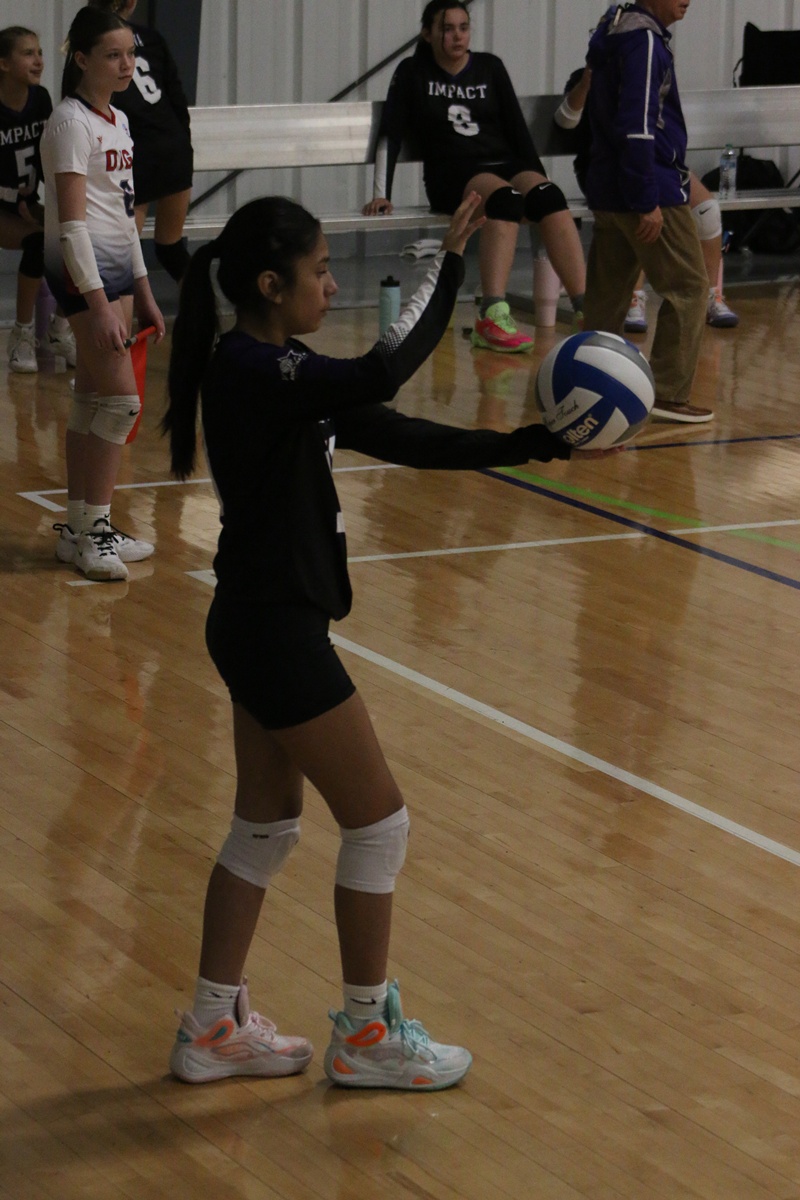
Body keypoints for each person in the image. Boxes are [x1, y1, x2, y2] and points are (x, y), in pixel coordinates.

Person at [161, 191, 585, 1090]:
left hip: (260, 622)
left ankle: (211, 1026)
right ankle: (364, 1035)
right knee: (380, 824)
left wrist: (530, 444)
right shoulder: (254, 369)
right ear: (271, 285)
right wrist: (452, 266)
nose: (330, 285)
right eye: (319, 272)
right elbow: (384, 374)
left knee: (265, 827)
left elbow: (398, 433)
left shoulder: (281, 370)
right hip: (274, 631)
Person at [363, 1, 586, 354]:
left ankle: (586, 310)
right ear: (428, 33)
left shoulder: (489, 67)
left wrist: (538, 191)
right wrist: (381, 193)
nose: (457, 36)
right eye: (448, 28)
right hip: (452, 173)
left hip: (503, 164)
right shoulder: (412, 71)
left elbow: (518, 131)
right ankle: (491, 316)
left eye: (463, 28)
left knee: (549, 197)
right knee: (505, 200)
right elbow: (390, 133)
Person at [41, 6, 165, 581]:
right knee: (121, 403)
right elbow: (71, 226)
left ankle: (81, 528)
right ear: (82, 58)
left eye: (131, 54)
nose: (125, 64)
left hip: (115, 270)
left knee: (92, 399)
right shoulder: (69, 123)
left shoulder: (119, 120)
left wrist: (144, 289)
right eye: (113, 55)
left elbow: (123, 215)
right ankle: (94, 531)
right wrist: (96, 305)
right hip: (80, 273)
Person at [581, 1, 712, 423]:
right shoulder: (646, 41)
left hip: (607, 187)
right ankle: (669, 393)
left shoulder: (615, 30)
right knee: (689, 287)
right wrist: (646, 199)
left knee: (607, 297)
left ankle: (585, 385)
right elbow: (637, 125)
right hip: (648, 186)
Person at [555, 61, 739, 332]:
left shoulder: (652, 71)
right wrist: (585, 85)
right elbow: (565, 122)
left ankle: (712, 296)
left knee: (707, 210)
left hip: (658, 163)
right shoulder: (590, 74)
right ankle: (634, 298)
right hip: (606, 167)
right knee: (636, 212)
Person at [86, 0, 193, 283]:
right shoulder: (151, 37)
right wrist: (181, 145)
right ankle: (205, 307)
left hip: (135, 152)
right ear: (131, 3)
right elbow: (177, 99)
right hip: (174, 147)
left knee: (119, 256)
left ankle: (114, 312)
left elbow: (86, 104)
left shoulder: (90, 43)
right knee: (170, 248)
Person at [0, 26, 76, 373]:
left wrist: (61, 203)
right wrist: (13, 196)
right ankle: (21, 334)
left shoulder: (41, 99)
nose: (39, 60)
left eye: (40, 52)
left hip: (27, 205)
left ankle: (60, 329)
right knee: (38, 245)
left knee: (77, 237)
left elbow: (48, 159)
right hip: (3, 208)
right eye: (28, 53)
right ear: (4, 63)